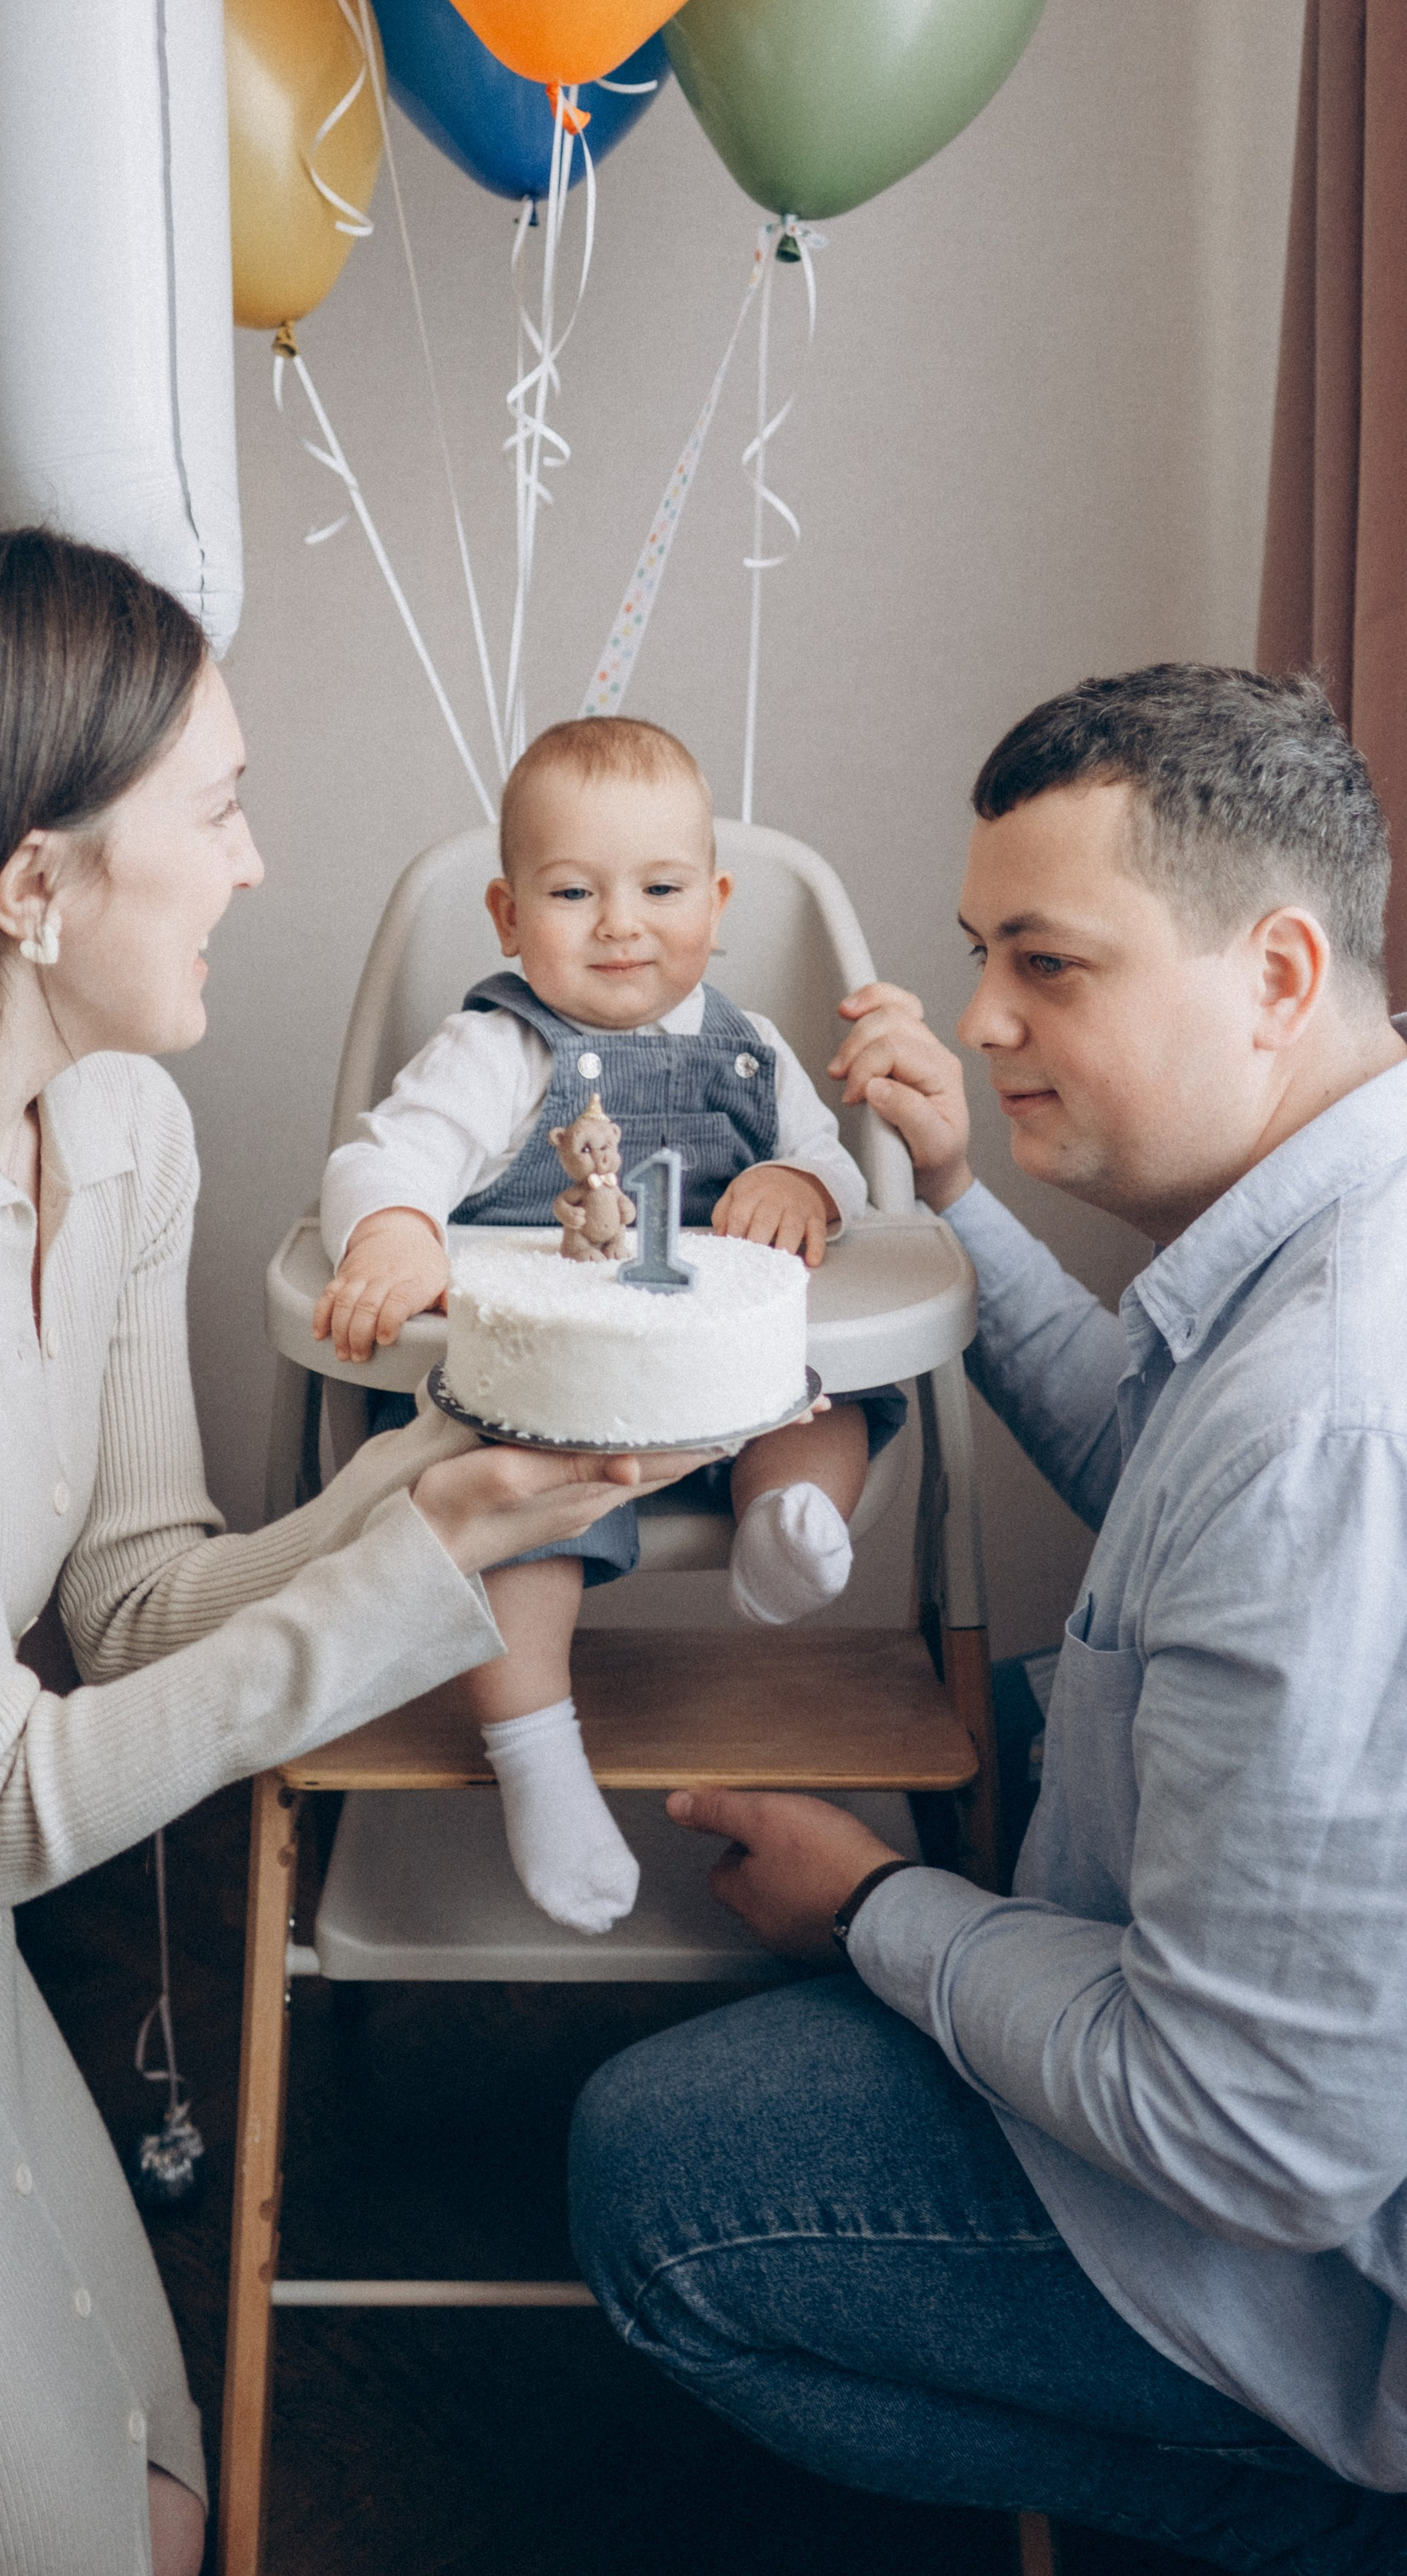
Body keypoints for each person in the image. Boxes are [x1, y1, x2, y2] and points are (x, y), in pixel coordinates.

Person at [0, 523, 694, 2576]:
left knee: (165, 2507)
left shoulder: (117, 1127)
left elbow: (136, 1592)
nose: (256, 862)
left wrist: (448, 1464)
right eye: (221, 807)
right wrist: (416, 1555)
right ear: (30, 882)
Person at [568, 666, 1407, 2571]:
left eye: (1047, 966)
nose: (980, 1019)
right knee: (1039, 1703)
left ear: (1276, 976)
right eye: (982, 956)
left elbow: (1262, 2139)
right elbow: (1165, 1468)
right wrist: (956, 1190)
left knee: (663, 2179)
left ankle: (1386, 2514)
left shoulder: (1360, 1436)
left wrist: (876, 1910)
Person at [309, 715, 905, 1933]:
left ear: (718, 902)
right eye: (574, 890)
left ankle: (785, 1525)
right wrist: (396, 1230)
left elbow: (838, 1172)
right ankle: (538, 1753)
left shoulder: (753, 1053)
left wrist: (803, 1189)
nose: (621, 922)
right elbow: (385, 1157)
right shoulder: (498, 1048)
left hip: (716, 1388)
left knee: (831, 1401)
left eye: (662, 887)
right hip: (542, 1406)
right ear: (509, 915)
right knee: (510, 1522)